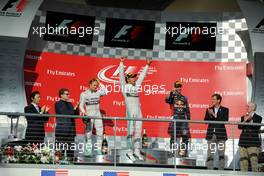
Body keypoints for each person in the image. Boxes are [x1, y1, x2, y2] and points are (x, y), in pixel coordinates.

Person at [119, 56, 152, 161]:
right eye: (132, 77)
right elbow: (120, 76)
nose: (135, 78)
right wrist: (121, 63)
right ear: (128, 79)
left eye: (134, 77)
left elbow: (142, 76)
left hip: (139, 113)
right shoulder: (124, 87)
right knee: (130, 132)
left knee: (138, 132)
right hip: (130, 113)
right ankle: (129, 152)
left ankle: (137, 151)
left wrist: (147, 65)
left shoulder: (136, 86)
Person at [79, 78, 107, 155]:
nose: (96, 87)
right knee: (88, 133)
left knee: (100, 132)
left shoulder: (98, 92)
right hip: (89, 115)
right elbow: (81, 106)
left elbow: (105, 91)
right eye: (94, 85)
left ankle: (98, 149)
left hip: (97, 115)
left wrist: (99, 82)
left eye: (96, 85)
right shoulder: (84, 94)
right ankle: (88, 150)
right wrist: (84, 113)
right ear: (90, 85)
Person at [165, 81, 191, 157]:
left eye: (180, 86)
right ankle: (172, 152)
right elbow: (167, 100)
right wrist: (171, 93)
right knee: (173, 136)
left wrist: (188, 119)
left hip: (183, 119)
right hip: (175, 118)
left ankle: (183, 152)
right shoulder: (172, 97)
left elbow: (187, 109)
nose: (178, 88)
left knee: (185, 136)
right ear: (174, 87)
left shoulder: (184, 98)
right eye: (177, 86)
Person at [204, 93, 229, 170]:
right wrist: (210, 114)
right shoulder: (209, 109)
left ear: (219, 100)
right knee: (210, 153)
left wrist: (214, 115)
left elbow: (225, 120)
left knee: (221, 153)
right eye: (212, 99)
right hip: (211, 134)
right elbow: (205, 121)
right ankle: (209, 170)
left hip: (221, 135)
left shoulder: (225, 110)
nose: (212, 101)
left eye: (214, 99)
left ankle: (221, 170)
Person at [55, 88, 78, 160]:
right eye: (67, 94)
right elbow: (66, 113)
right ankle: (58, 165)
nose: (69, 95)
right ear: (61, 95)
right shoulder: (58, 104)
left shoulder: (70, 104)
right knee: (60, 151)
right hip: (62, 131)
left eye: (69, 94)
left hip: (71, 131)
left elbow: (75, 115)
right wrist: (73, 109)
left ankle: (70, 164)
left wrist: (76, 108)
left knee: (70, 152)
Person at [238, 102, 262, 172]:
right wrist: (245, 120)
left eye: (248, 106)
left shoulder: (258, 117)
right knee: (243, 161)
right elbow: (239, 126)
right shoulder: (243, 117)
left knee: (254, 161)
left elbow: (257, 127)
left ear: (253, 108)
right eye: (246, 106)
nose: (246, 108)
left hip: (253, 142)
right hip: (243, 141)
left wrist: (251, 120)